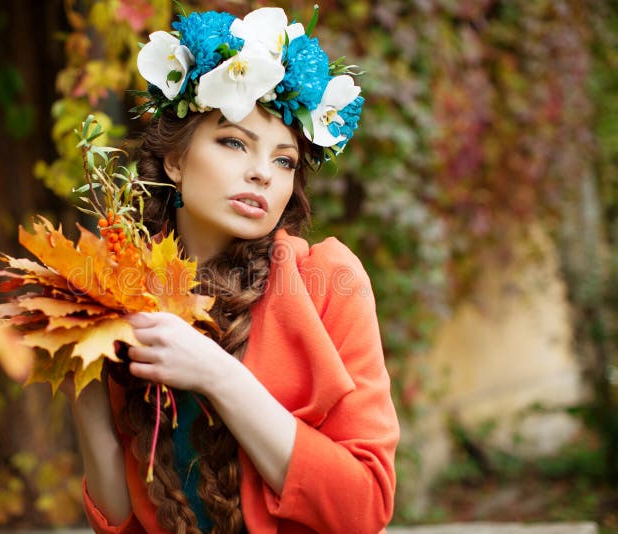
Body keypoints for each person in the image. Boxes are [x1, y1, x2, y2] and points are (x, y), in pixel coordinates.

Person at [66, 7, 399, 534]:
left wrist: (218, 375)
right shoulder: (121, 291)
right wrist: (85, 401)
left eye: (284, 160)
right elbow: (127, 525)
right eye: (234, 142)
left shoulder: (328, 281)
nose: (261, 173)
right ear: (175, 160)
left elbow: (364, 510)